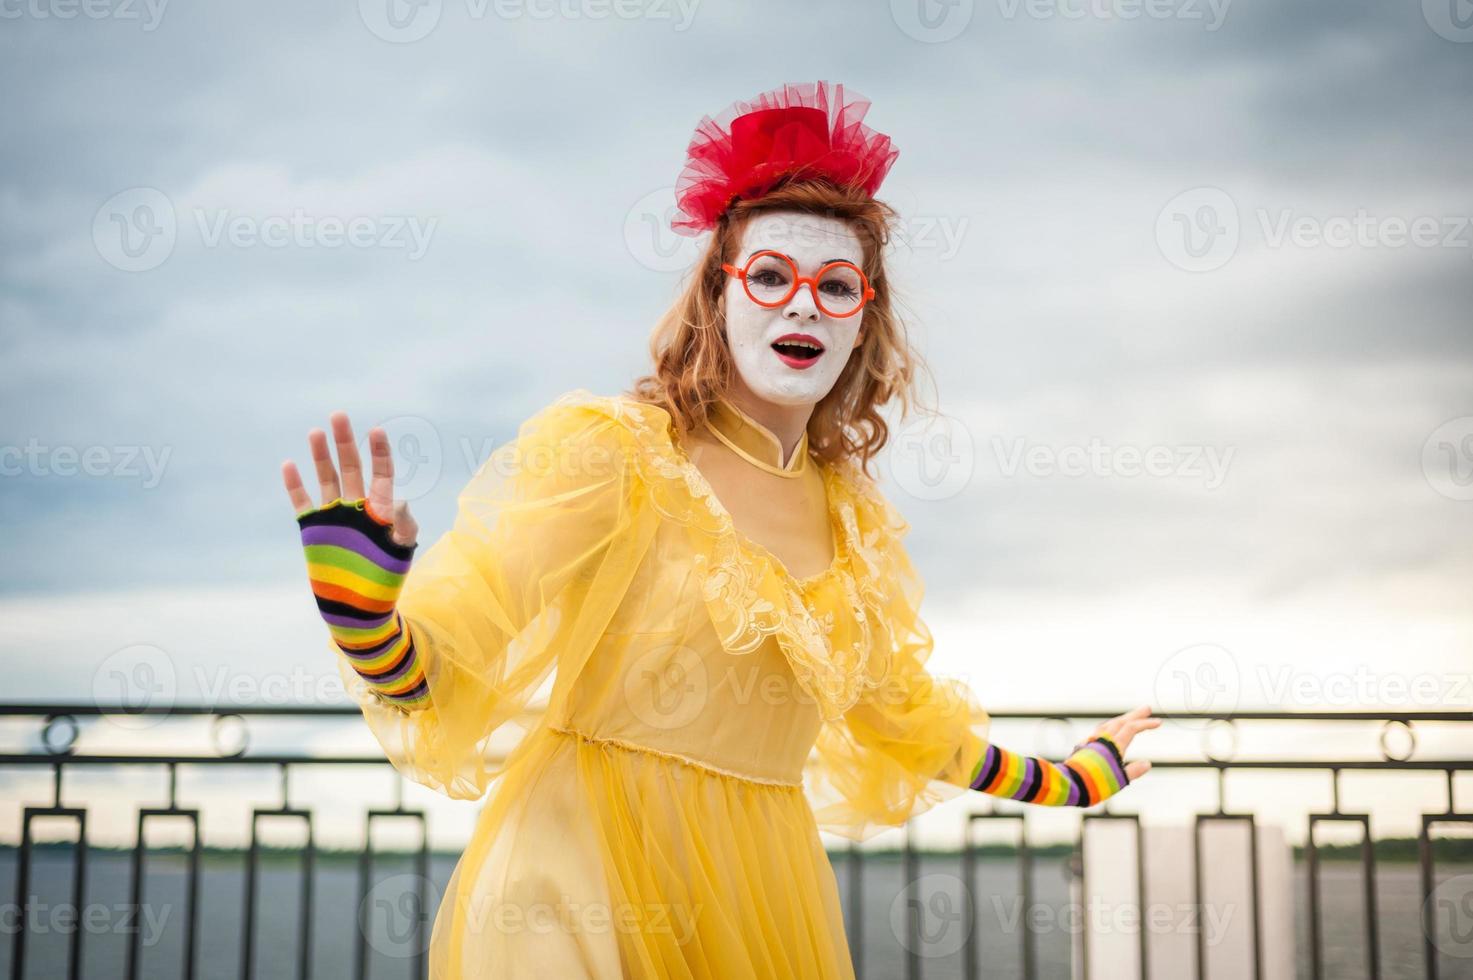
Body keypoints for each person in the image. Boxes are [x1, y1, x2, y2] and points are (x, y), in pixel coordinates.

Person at [281, 79, 1159, 979]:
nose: (802, 305)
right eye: (770, 276)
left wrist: (1071, 779)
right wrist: (363, 614)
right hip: (575, 871)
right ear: (718, 296)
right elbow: (444, 666)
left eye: (836, 286)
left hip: (756, 891)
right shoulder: (616, 455)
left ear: (863, 322)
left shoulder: (851, 524)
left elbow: (903, 718)